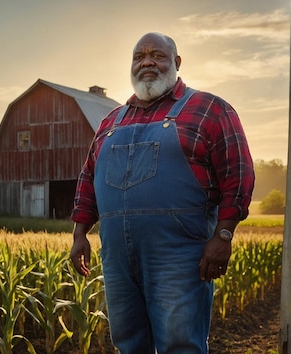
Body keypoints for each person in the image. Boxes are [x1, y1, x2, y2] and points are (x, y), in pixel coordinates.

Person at [69, 32, 255, 353]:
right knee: (129, 343)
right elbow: (89, 179)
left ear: (177, 62)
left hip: (180, 257)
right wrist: (79, 233)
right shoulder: (111, 121)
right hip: (117, 260)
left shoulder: (209, 109)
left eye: (157, 55)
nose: (147, 63)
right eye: (139, 56)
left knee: (180, 345)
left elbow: (238, 176)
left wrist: (223, 236)